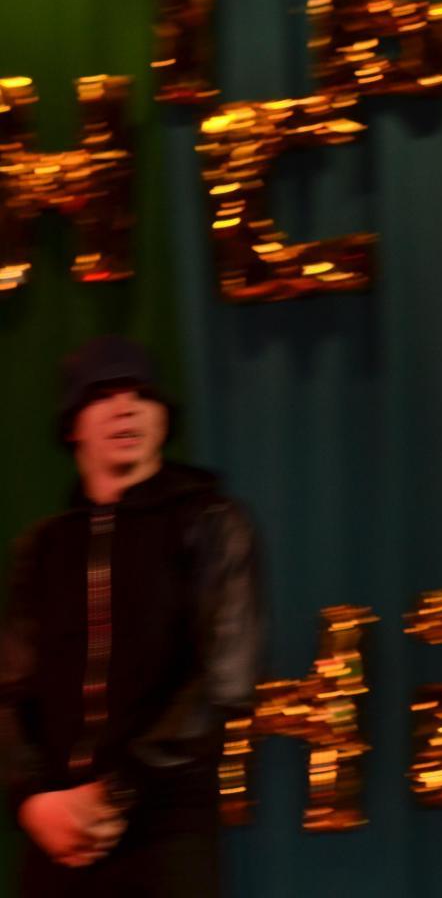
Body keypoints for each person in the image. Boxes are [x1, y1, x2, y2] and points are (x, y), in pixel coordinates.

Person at [0, 336, 263, 897]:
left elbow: (224, 679)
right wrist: (31, 801)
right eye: (104, 394)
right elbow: (10, 690)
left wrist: (113, 793)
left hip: (165, 828)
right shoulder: (43, 547)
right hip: (57, 831)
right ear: (72, 425)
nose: (126, 408)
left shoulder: (212, 521)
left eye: (142, 394)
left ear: (163, 419)